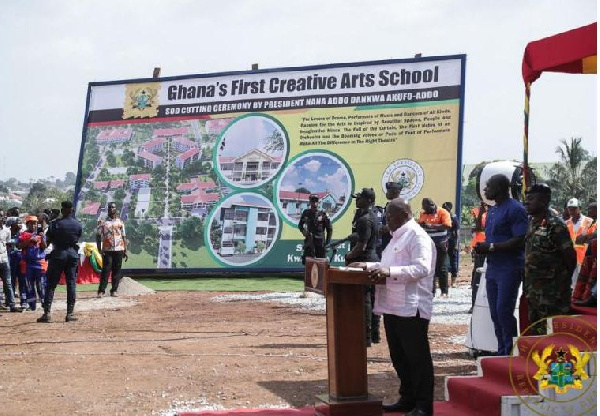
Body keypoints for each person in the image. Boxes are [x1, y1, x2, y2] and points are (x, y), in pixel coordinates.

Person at [350, 198, 435, 416]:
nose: (386, 220)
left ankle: (424, 406)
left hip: (412, 306)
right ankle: (407, 399)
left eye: (389, 216)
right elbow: (388, 266)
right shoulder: (397, 236)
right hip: (393, 305)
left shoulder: (417, 236)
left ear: (404, 214)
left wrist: (390, 273)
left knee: (417, 358)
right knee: (399, 356)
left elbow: (422, 268)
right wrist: (368, 265)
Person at [474, 174, 528, 356]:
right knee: (495, 313)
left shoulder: (515, 209)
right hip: (493, 267)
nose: (485, 190)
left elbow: (520, 239)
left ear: (499, 187)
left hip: (510, 267)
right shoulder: (493, 210)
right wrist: (484, 248)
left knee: (503, 310)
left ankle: (511, 352)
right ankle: (501, 349)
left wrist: (491, 247)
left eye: (488, 186)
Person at [524, 184, 576, 335]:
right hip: (533, 291)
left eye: (531, 199)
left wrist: (560, 281)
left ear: (544, 201)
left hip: (553, 294)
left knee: (555, 336)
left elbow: (570, 257)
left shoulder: (555, 225)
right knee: (537, 336)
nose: (527, 202)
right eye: (527, 199)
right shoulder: (533, 223)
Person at [37, 201, 82, 323]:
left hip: (58, 255)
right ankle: (70, 314)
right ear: (72, 210)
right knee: (71, 283)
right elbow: (77, 238)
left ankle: (47, 313)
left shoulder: (55, 224)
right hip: (72, 255)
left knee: (51, 284)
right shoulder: (77, 225)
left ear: (62, 210)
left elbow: (47, 243)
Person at [345, 188, 379, 347]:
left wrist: (349, 256)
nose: (356, 200)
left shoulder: (365, 219)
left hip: (364, 260)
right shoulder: (367, 216)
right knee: (371, 298)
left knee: (365, 299)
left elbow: (361, 246)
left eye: (359, 198)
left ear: (368, 200)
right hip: (368, 259)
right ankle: (374, 335)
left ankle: (366, 337)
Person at [418, 198, 451, 297]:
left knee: (441, 267)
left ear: (432, 205)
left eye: (426, 209)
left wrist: (431, 226)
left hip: (440, 243)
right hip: (427, 245)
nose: (425, 211)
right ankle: (431, 291)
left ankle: (444, 291)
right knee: (429, 268)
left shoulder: (442, 212)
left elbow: (447, 226)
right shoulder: (423, 213)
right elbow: (422, 226)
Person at [96, 202, 128, 297]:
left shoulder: (120, 222)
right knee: (106, 270)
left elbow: (124, 236)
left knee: (117, 270)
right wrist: (99, 248)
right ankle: (101, 291)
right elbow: (98, 236)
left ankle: (114, 290)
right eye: (109, 207)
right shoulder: (102, 222)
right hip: (107, 249)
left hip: (119, 249)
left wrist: (125, 249)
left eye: (113, 207)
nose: (111, 209)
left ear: (116, 209)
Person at [18, 216, 47, 310]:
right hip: (28, 264)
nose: (34, 225)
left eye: (35, 223)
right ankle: (32, 305)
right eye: (31, 223)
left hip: (39, 263)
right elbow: (19, 246)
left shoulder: (40, 234)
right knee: (29, 285)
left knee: (40, 284)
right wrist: (29, 240)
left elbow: (44, 247)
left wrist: (42, 238)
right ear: (27, 224)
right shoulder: (23, 234)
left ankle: (44, 302)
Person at [565, 198, 594, 285]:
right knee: (571, 284)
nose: (571, 211)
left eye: (574, 208)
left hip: (584, 259)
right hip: (570, 259)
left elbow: (593, 238)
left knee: (583, 284)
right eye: (569, 208)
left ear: (580, 208)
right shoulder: (566, 223)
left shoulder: (589, 222)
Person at [298, 194, 332, 264]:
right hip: (309, 241)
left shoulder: (323, 214)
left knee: (320, 263)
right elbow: (300, 225)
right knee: (306, 262)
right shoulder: (306, 212)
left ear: (318, 202)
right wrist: (303, 231)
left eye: (316, 201)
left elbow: (329, 229)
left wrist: (327, 244)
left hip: (320, 242)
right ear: (310, 202)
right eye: (312, 201)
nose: (314, 203)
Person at [469, 202, 488, 312]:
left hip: (490, 247)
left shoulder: (498, 211)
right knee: (478, 276)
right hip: (480, 247)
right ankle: (474, 304)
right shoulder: (477, 212)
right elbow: (476, 227)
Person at [0, 214, 20, 312]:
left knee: (8, 283)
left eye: (1, 216)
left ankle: (12, 305)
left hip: (4, 260)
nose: (1, 218)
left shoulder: (7, 231)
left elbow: (8, 246)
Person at [442, 201, 460, 287]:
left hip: (451, 242)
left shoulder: (453, 217)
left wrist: (456, 244)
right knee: (441, 261)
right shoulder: (441, 216)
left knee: (453, 262)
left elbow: (457, 231)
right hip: (442, 242)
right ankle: (441, 282)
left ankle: (453, 282)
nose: (444, 210)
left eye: (446, 208)